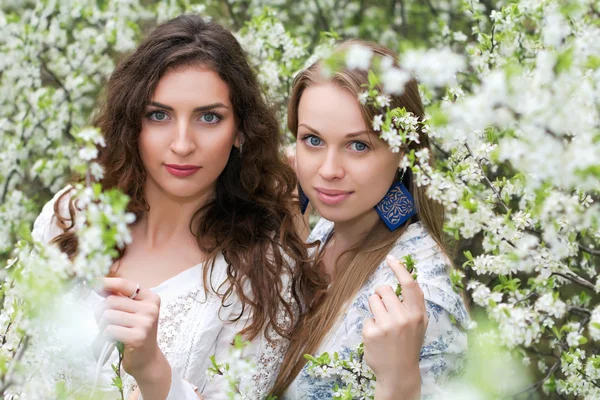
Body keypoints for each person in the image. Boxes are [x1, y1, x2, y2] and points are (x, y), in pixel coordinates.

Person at [30, 15, 318, 400]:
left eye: (209, 117)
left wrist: (154, 374)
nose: (182, 144)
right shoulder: (68, 217)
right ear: (132, 122)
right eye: (159, 115)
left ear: (241, 131)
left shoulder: (263, 274)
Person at [272, 40, 470, 399]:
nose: (329, 171)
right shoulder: (327, 231)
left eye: (358, 145)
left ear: (403, 152)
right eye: (312, 140)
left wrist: (399, 385)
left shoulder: (421, 297)